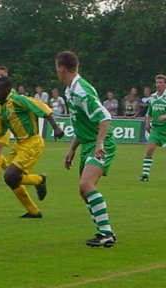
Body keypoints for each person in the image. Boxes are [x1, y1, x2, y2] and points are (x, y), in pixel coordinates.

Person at [55, 50, 117, 248]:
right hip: (88, 143)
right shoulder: (70, 90)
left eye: (57, 67)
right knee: (84, 191)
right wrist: (73, 148)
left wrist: (99, 144)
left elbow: (105, 117)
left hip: (101, 143)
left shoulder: (81, 90)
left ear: (62, 68)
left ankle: (106, 234)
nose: (56, 71)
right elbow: (83, 124)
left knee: (86, 184)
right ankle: (104, 232)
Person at [0, 76, 64, 218]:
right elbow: (0, 131)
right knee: (11, 179)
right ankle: (33, 211)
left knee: (10, 176)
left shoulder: (19, 100)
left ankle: (40, 179)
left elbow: (42, 107)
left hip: (32, 142)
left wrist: (55, 127)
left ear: (8, 90)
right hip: (19, 144)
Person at [140, 74, 166, 182]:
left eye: (160, 82)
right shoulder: (153, 97)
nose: (158, 84)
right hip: (155, 129)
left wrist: (165, 116)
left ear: (165, 84)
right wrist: (147, 123)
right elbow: (149, 112)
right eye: (157, 82)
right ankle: (145, 175)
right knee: (149, 151)